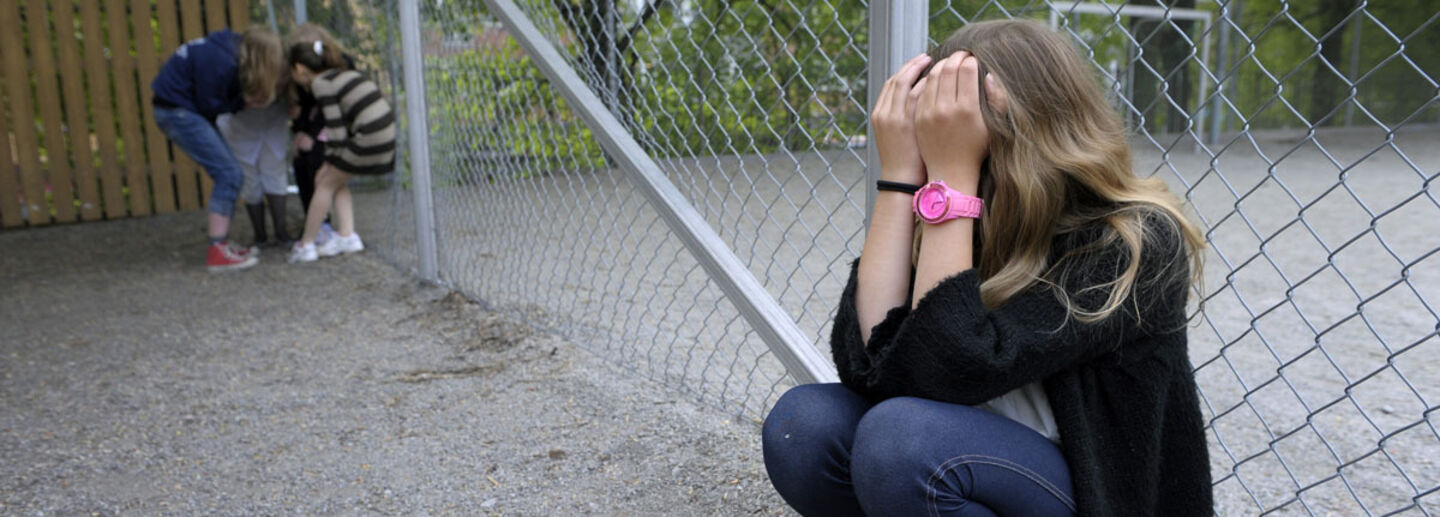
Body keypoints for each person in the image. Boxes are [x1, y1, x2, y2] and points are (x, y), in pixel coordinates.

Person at [761, 20, 1213, 516]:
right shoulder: (965, 212)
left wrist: (953, 180)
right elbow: (868, 367)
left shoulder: (1134, 240)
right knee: (803, 426)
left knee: (901, 444)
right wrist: (899, 181)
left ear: (1029, 129)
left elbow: (944, 378)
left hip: (1091, 492)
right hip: (966, 451)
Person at [151, 26, 283, 272]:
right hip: (177, 112)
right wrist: (243, 102)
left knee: (229, 173)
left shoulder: (225, 48)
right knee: (229, 174)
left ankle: (220, 243)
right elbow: (209, 104)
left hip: (177, 108)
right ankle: (217, 251)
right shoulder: (222, 62)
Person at [285, 36, 396, 263]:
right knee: (337, 180)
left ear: (299, 68)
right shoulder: (342, 75)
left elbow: (335, 129)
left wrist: (328, 162)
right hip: (385, 138)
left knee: (324, 180)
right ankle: (347, 235)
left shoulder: (321, 84)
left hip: (369, 138)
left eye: (292, 73)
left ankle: (305, 244)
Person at [285, 23, 353, 247]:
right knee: (299, 157)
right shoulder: (305, 78)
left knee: (318, 164)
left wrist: (312, 135)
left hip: (341, 126)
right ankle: (317, 221)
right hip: (320, 125)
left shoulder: (341, 67)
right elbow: (307, 108)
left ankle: (320, 227)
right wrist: (301, 130)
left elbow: (333, 110)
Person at [218, 99, 293, 248]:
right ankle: (260, 235)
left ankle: (281, 233)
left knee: (275, 175)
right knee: (249, 179)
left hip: (273, 119)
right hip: (238, 124)